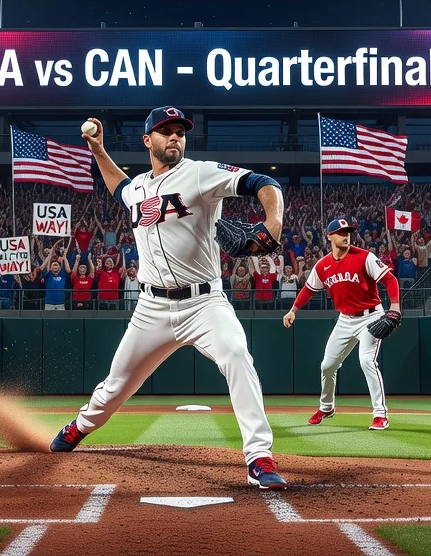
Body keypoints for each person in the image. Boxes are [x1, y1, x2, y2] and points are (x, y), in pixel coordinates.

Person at [50, 108, 288, 491]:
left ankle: (259, 457)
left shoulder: (200, 173)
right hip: (151, 309)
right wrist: (97, 150)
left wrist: (273, 221)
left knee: (236, 355)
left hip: (204, 304)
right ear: (148, 141)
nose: (175, 137)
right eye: (165, 131)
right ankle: (80, 426)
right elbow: (118, 187)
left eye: (179, 131)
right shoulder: (138, 188)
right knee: (115, 386)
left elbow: (263, 183)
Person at [284, 217, 400, 430]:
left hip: (371, 317)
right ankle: (326, 407)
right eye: (341, 232)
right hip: (345, 320)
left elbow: (390, 280)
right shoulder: (323, 265)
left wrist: (395, 306)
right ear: (329, 236)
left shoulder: (364, 257)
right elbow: (308, 289)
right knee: (327, 366)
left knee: (366, 361)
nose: (346, 236)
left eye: (348, 232)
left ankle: (380, 414)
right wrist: (293, 310)